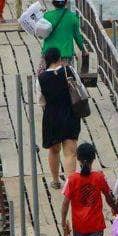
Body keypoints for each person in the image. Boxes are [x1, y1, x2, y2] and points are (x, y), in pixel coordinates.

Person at [37, 48, 80, 187]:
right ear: (60, 58)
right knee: (70, 152)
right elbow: (79, 88)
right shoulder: (69, 71)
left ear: (46, 61)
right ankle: (70, 186)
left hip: (52, 117)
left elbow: (41, 101)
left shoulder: (41, 78)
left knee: (54, 150)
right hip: (70, 114)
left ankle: (55, 181)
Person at [39, 0, 84, 68]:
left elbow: (40, 35)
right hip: (65, 55)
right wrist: (83, 49)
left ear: (53, 3)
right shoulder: (73, 17)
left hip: (48, 53)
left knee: (47, 75)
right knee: (65, 75)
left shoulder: (46, 16)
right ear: (66, 2)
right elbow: (77, 36)